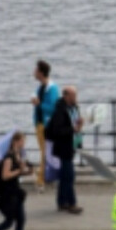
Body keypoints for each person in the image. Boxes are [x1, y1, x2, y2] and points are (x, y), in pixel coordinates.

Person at [44, 87, 83, 215]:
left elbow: (74, 125)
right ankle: (71, 203)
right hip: (63, 147)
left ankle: (62, 202)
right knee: (69, 176)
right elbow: (58, 131)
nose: (75, 98)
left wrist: (79, 126)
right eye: (73, 96)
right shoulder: (60, 111)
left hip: (71, 145)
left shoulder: (74, 108)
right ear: (66, 96)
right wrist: (73, 129)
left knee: (65, 176)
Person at [31, 61, 59, 191]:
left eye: (36, 70)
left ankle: (41, 180)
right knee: (45, 152)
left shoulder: (51, 89)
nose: (34, 73)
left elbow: (53, 108)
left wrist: (39, 104)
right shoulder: (40, 87)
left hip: (47, 125)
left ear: (41, 73)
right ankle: (49, 176)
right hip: (40, 123)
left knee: (45, 153)